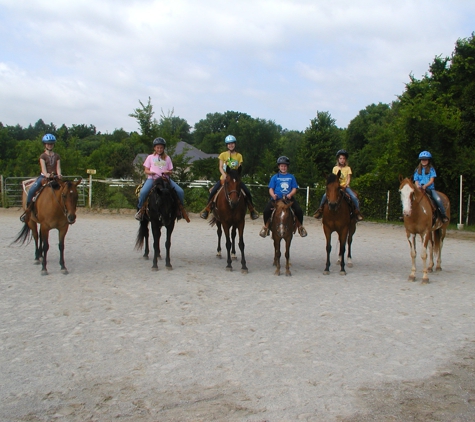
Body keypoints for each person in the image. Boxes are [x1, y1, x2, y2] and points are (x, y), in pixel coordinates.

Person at [200, 135, 259, 220]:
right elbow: (220, 167)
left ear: (235, 144)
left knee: (247, 192)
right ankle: (207, 209)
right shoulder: (223, 155)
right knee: (213, 191)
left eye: (232, 144)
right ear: (227, 145)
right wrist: (225, 175)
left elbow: (239, 168)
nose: (231, 145)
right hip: (224, 178)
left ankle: (251, 209)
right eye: (229, 144)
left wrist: (236, 176)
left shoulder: (239, 156)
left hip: (235, 179)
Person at [135, 137, 189, 222]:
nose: (159, 149)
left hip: (165, 179)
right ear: (154, 148)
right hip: (153, 179)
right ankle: (140, 210)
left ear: (163, 148)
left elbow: (171, 171)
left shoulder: (167, 158)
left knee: (180, 191)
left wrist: (167, 172)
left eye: (161, 147)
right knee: (143, 192)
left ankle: (180, 210)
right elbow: (146, 170)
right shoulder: (150, 157)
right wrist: (151, 172)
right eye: (158, 147)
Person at [259, 156, 307, 238]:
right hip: (276, 199)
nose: (283, 168)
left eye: (285, 166)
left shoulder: (291, 177)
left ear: (287, 167)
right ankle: (266, 227)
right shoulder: (275, 177)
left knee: (298, 210)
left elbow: (294, 188)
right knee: (266, 211)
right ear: (279, 167)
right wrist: (273, 195)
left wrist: (290, 194)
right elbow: (271, 189)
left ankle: (300, 227)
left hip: (288, 199)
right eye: (281, 166)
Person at [20, 133, 62, 223]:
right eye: (48, 144)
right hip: (44, 177)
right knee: (31, 190)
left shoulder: (57, 156)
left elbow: (58, 167)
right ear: (45, 145)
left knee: (66, 191)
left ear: (53, 144)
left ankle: (65, 212)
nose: (49, 145)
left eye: (51, 144)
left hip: (55, 177)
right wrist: (47, 175)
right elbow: (43, 168)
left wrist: (59, 174)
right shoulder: (42, 156)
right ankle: (27, 212)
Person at [313, 149, 363, 221]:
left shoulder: (348, 168)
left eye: (343, 158)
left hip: (345, 186)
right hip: (336, 186)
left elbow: (348, 178)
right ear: (338, 159)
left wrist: (346, 184)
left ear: (345, 160)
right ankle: (320, 210)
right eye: (340, 158)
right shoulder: (335, 168)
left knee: (354, 197)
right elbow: (333, 178)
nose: (342, 160)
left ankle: (357, 212)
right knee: (324, 196)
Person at [413, 150, 449, 223]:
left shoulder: (431, 169)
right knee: (409, 198)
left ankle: (443, 215)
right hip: (419, 189)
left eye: (425, 159)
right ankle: (405, 215)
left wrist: (425, 186)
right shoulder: (417, 170)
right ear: (420, 160)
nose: (424, 161)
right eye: (422, 159)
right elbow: (416, 180)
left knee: (438, 199)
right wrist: (418, 186)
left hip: (429, 189)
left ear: (428, 160)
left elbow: (432, 180)